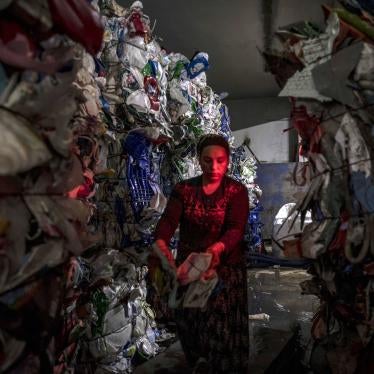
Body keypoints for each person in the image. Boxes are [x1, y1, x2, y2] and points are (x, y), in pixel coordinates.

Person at [154, 134, 249, 373]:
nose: (214, 167)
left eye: (220, 160)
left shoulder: (236, 191)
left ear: (228, 161)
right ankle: (198, 361)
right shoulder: (184, 190)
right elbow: (167, 221)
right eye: (207, 160)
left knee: (217, 322)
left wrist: (215, 250)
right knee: (188, 319)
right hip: (190, 265)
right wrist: (161, 243)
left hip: (224, 266)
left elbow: (236, 228)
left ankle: (219, 365)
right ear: (199, 160)